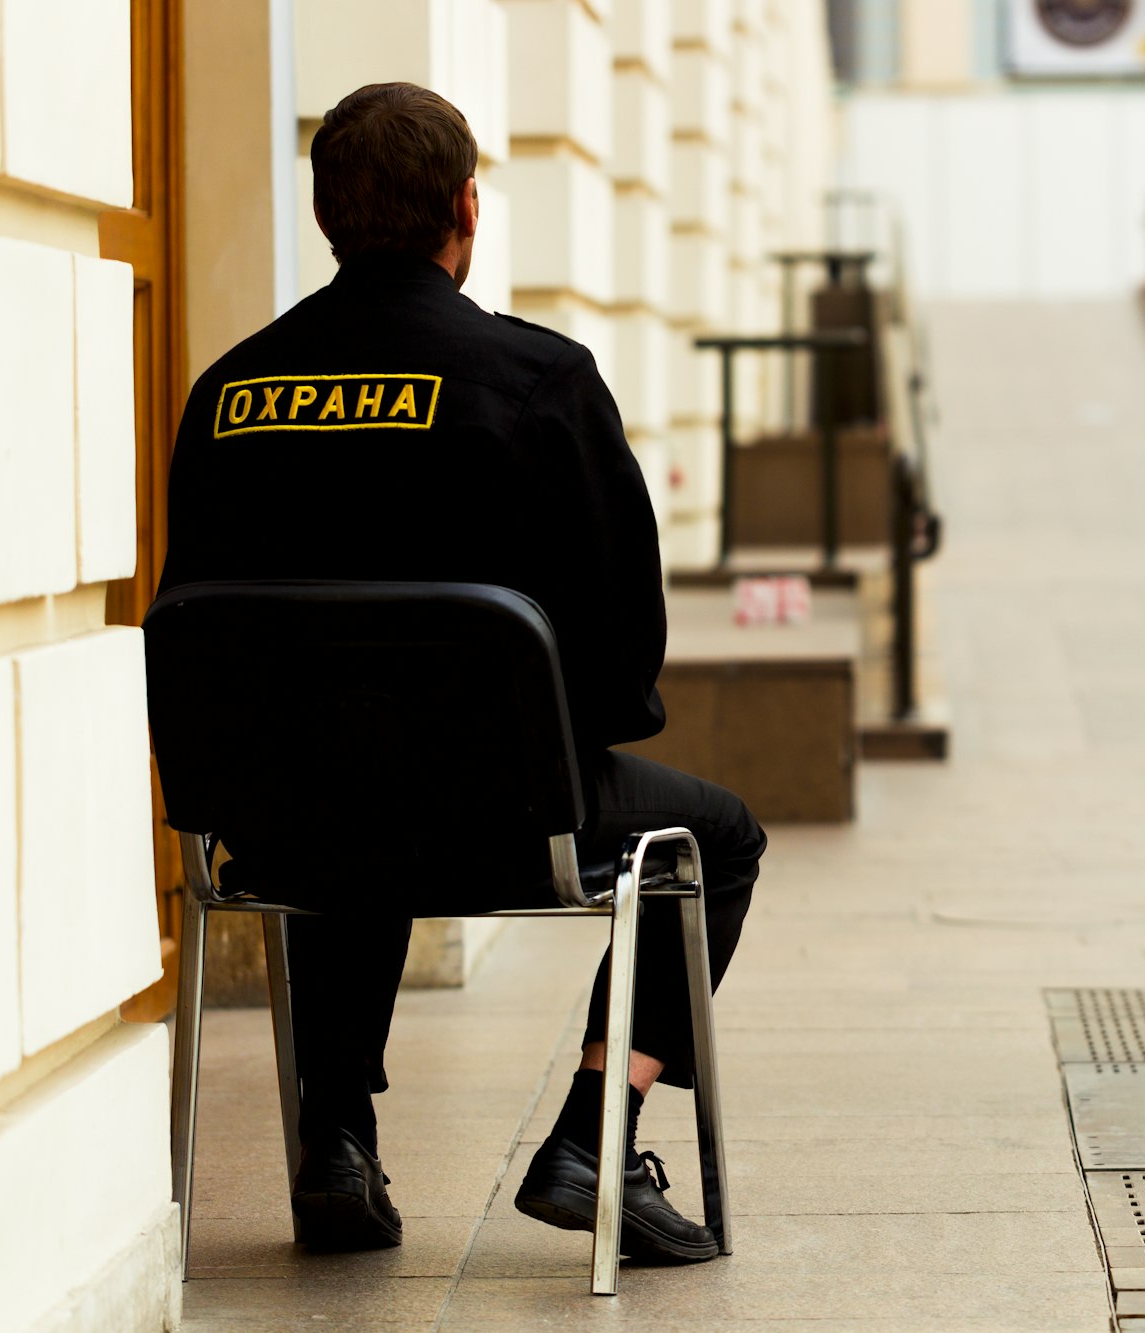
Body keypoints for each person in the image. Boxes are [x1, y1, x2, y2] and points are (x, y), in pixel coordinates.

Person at [156, 82, 763, 1261]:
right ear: (466, 208)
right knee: (719, 837)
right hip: (499, 817)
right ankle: (591, 1137)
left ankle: (332, 1136)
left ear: (326, 212)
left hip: (278, 830)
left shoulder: (228, 393)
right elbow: (622, 649)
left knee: (336, 776)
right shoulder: (535, 383)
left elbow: (204, 639)